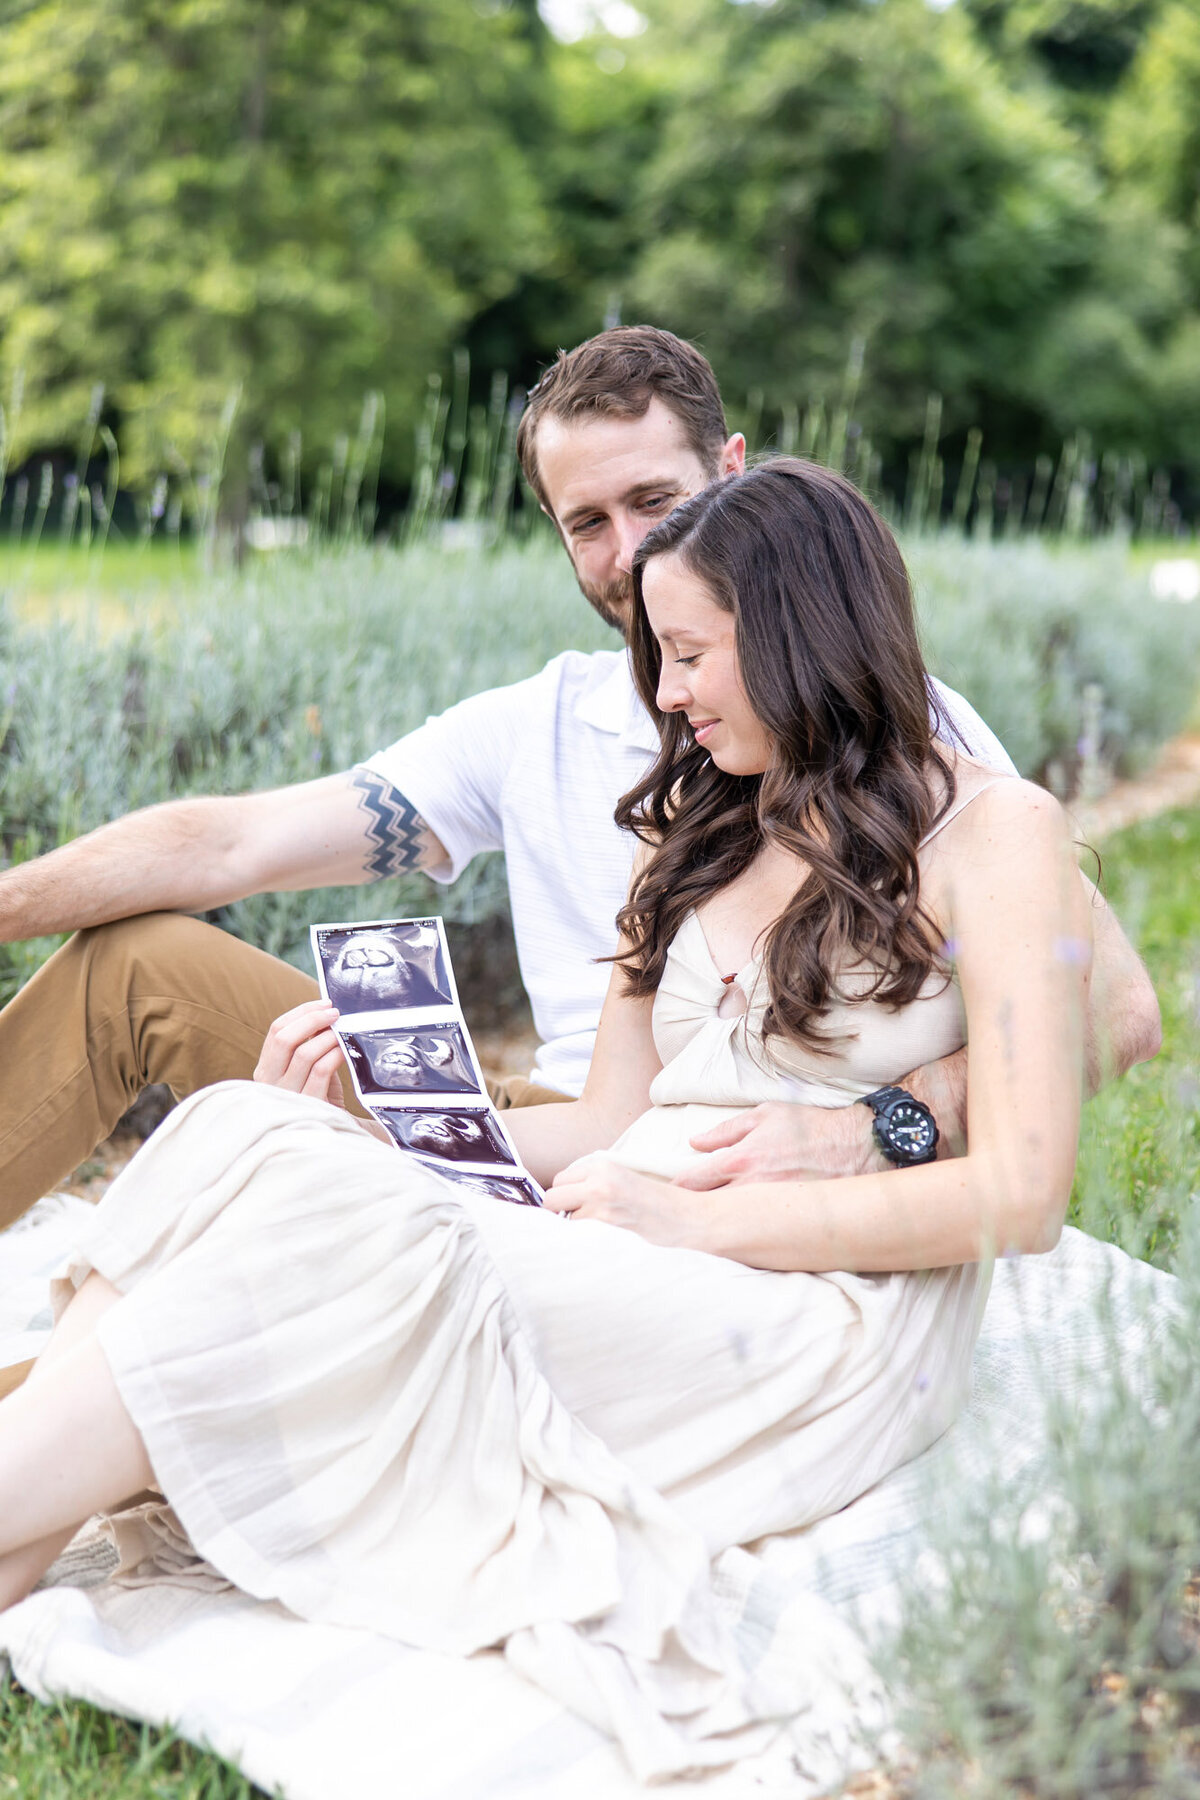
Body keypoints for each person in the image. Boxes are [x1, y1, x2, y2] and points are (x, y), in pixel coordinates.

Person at [0, 460, 1091, 1777]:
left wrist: (700, 1223)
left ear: (798, 630)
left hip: (814, 1315)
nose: (670, 696)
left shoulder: (994, 829)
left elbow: (1025, 1194)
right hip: (623, 1227)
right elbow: (608, 1120)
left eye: (688, 654)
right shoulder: (698, 818)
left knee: (310, 1225)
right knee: (255, 1137)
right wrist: (383, 1127)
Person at [0, 328, 1157, 1232]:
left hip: (719, 1166)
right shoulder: (538, 725)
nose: (628, 553)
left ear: (733, 475)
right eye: (585, 523)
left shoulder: (896, 734)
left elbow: (1113, 1009)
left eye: (656, 502)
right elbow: (228, 848)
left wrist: (884, 1125)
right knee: (132, 964)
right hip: (543, 1127)